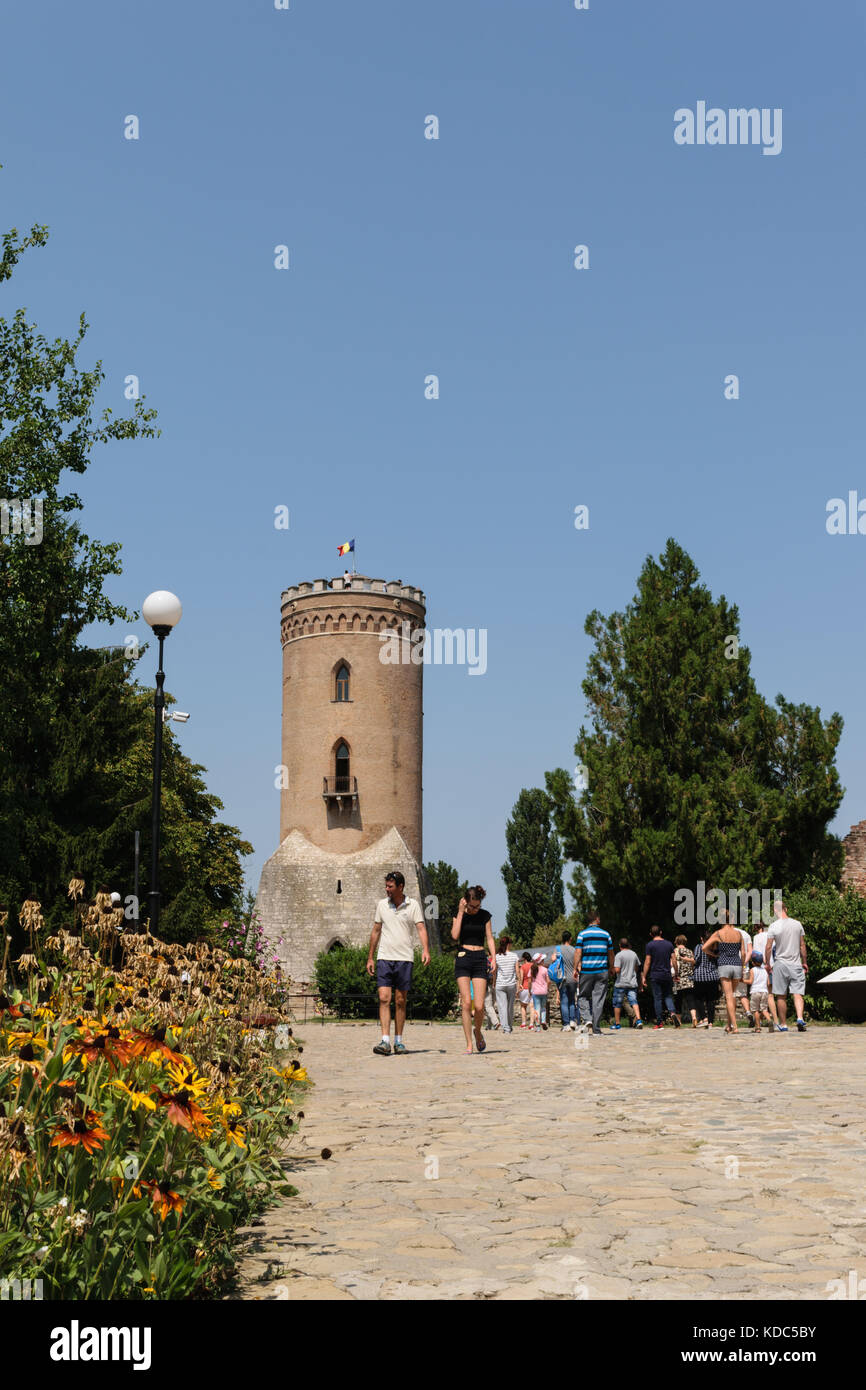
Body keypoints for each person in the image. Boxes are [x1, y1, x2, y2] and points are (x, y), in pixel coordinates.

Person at [367, 871, 430, 1055]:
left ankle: (399, 1041)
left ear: (400, 887)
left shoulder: (413, 905)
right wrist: (370, 957)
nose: (387, 889)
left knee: (401, 1001)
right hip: (385, 957)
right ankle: (385, 1041)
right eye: (386, 886)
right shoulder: (381, 905)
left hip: (404, 958)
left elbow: (421, 928)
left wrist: (426, 950)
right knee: (384, 998)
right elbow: (376, 931)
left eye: (390, 886)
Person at [452, 885, 497, 1054]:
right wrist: (461, 912)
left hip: (480, 958)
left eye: (477, 906)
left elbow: (490, 938)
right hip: (463, 957)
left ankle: (477, 1032)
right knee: (466, 1003)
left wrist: (493, 958)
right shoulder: (460, 914)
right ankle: (469, 1044)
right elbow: (454, 935)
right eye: (472, 906)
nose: (475, 909)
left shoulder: (485, 916)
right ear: (466, 902)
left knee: (479, 1006)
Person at [702, 913, 748, 1033]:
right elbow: (743, 953)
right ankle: (729, 1025)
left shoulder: (718, 933)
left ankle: (735, 1027)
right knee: (732, 996)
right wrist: (742, 967)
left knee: (728, 996)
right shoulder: (739, 934)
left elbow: (704, 948)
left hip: (724, 964)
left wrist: (714, 954)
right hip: (737, 965)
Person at [767, 900, 809, 1033]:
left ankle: (784, 1024)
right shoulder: (797, 924)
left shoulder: (773, 926)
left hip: (780, 963)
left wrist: (768, 963)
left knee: (780, 996)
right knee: (797, 993)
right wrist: (804, 961)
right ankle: (800, 1017)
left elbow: (768, 947)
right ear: (786, 909)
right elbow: (802, 945)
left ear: (775, 910)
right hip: (796, 963)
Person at [574, 913, 614, 1035]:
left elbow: (578, 952)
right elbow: (611, 953)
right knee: (598, 999)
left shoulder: (582, 934)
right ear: (596, 919)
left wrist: (575, 968)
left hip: (586, 971)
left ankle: (587, 1019)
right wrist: (611, 967)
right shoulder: (606, 934)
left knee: (582, 997)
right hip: (602, 971)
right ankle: (596, 1029)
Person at [641, 925, 680, 1030]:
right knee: (668, 996)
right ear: (661, 932)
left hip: (655, 975)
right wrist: (676, 973)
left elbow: (648, 962)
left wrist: (644, 976)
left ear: (651, 934)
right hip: (667, 975)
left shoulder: (650, 945)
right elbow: (674, 960)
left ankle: (659, 1023)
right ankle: (672, 1012)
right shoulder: (668, 944)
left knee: (657, 998)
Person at [751, 920, 779, 1028]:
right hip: (771, 966)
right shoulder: (769, 935)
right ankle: (775, 1021)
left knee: (759, 994)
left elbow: (755, 953)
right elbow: (774, 949)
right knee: (770, 995)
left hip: (761, 968)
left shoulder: (756, 938)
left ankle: (761, 1020)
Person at [611, 937, 642, 1030]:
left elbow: (617, 970)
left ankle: (617, 1024)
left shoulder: (619, 955)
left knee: (617, 1003)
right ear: (628, 945)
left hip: (621, 983)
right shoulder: (634, 954)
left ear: (620, 945)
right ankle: (639, 1020)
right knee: (634, 1001)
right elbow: (637, 967)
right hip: (632, 982)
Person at [692, 927, 719, 1028]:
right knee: (711, 1000)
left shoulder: (699, 947)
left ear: (702, 939)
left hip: (700, 977)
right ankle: (711, 1022)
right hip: (713, 977)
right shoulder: (715, 948)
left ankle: (704, 1018)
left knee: (698, 999)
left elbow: (696, 960)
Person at [553, 930, 578, 1031]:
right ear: (570, 939)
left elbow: (553, 959)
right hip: (573, 978)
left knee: (564, 1001)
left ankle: (566, 1024)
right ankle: (572, 1021)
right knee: (572, 1000)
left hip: (562, 979)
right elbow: (578, 963)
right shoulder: (574, 949)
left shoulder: (558, 948)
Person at [494, 936, 519, 1033]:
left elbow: (494, 972)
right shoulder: (514, 956)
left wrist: (493, 983)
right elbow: (517, 971)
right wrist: (519, 983)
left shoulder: (497, 956)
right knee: (510, 1006)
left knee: (502, 1006)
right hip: (511, 984)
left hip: (500, 984)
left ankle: (506, 1028)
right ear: (508, 944)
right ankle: (510, 1025)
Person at [672, 934, 698, 1027]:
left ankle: (678, 1021)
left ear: (677, 942)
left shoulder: (675, 951)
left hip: (678, 979)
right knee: (690, 1000)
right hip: (689, 979)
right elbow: (692, 965)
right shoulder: (690, 951)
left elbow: (672, 963)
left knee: (678, 1001)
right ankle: (694, 1017)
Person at [748, 951, 773, 1034]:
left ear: (753, 962)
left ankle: (758, 1027)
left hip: (755, 992)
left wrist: (743, 980)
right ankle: (769, 1020)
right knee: (764, 1009)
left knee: (755, 1011)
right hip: (764, 992)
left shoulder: (752, 970)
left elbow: (751, 981)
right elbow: (768, 983)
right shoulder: (764, 971)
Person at [529, 953, 550, 1030]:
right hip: (544, 991)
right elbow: (548, 981)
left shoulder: (532, 969)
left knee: (537, 1008)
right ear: (541, 961)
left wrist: (529, 990)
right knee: (543, 1007)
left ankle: (538, 1026)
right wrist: (547, 988)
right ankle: (543, 1021)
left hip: (535, 992)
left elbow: (529, 981)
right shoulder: (545, 969)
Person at [517, 951, 533, 1029]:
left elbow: (521, 978)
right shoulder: (534, 966)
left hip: (524, 988)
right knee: (532, 1007)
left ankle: (523, 1023)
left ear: (524, 958)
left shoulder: (523, 967)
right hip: (533, 988)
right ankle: (531, 1024)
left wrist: (519, 987)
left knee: (523, 1006)